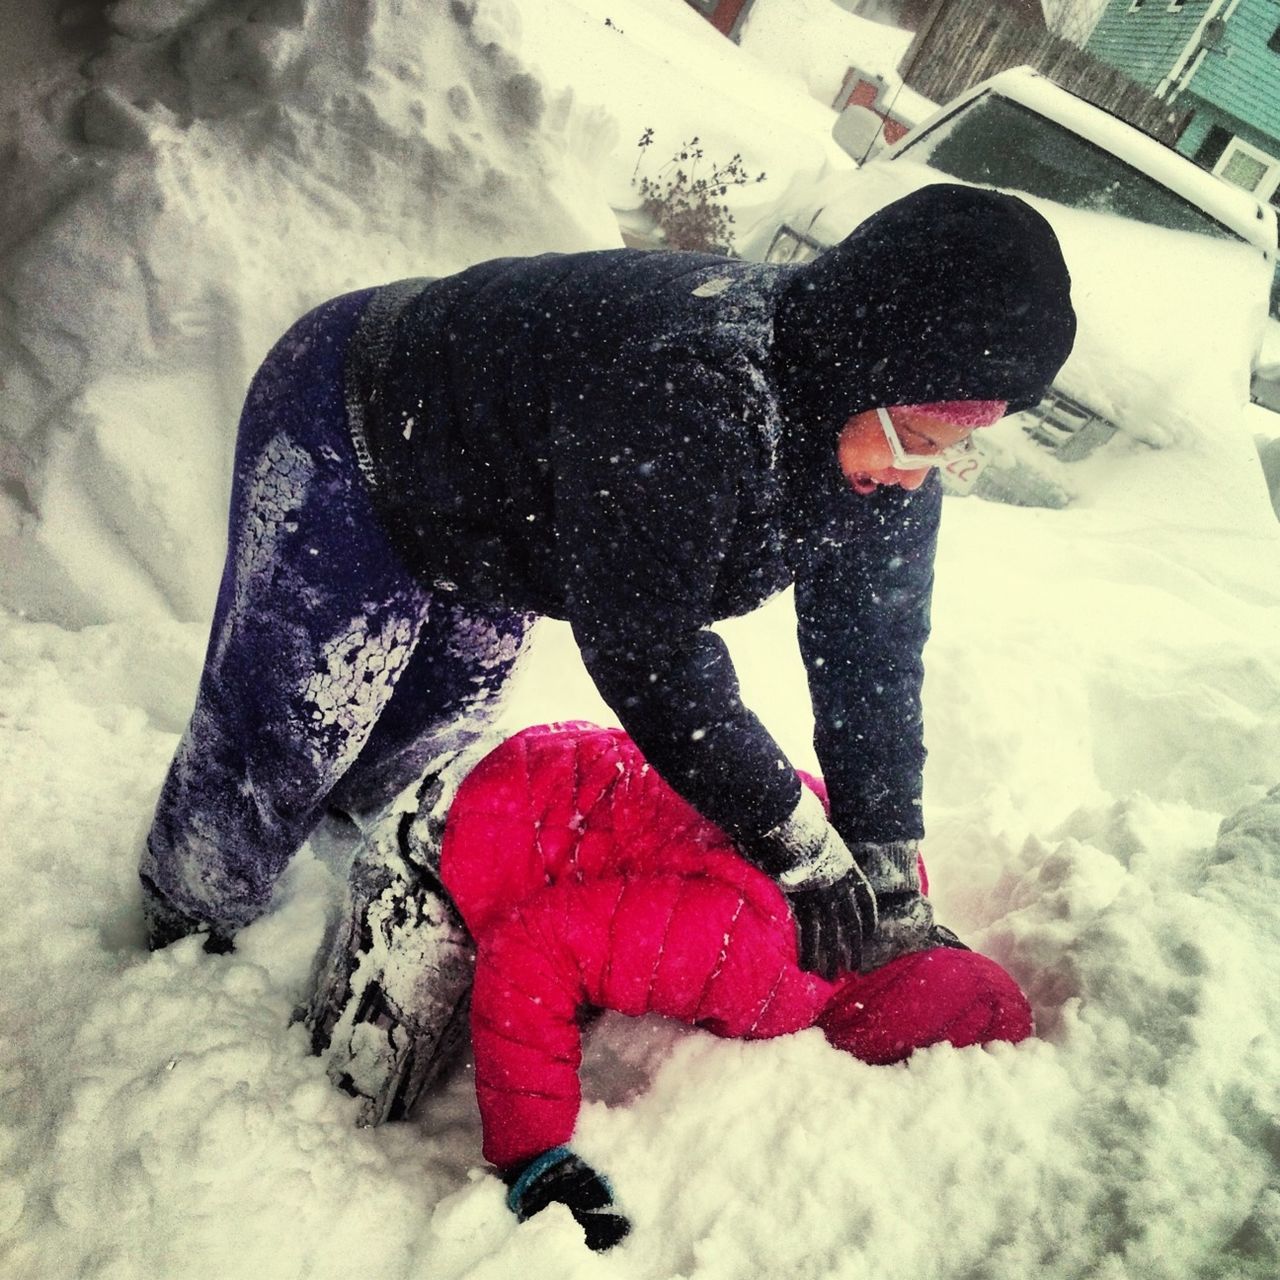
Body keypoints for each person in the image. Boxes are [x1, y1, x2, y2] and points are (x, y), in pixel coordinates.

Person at [140, 183, 1075, 1121]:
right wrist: (787, 835)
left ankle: (348, 856)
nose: (915, 476)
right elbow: (650, 651)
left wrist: (880, 855)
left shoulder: (883, 455)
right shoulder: (697, 389)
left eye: (950, 453)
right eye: (915, 439)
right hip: (361, 420)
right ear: (858, 367)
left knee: (420, 739)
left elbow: (872, 655)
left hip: (503, 514)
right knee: (288, 732)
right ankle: (183, 942)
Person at [436, 721, 1034, 1251]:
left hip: (570, 760)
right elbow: (529, 948)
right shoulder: (764, 959)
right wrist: (533, 1154)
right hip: (491, 822)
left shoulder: (876, 861)